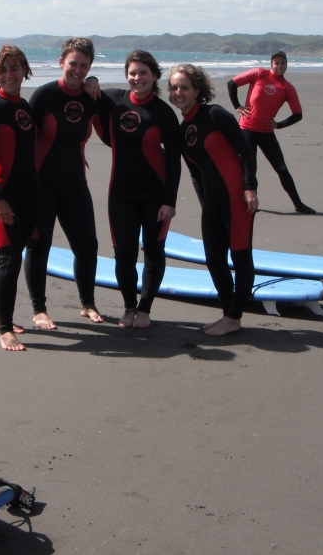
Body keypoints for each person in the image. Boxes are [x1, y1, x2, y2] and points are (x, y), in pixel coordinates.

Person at [85, 51, 181, 328]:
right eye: (132, 73)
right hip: (121, 194)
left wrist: (170, 201)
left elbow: (174, 160)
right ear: (126, 74)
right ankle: (129, 307)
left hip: (156, 194)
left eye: (143, 73)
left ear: (154, 76)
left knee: (154, 252)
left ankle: (145, 310)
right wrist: (92, 76)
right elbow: (88, 89)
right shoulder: (115, 98)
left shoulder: (163, 112)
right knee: (123, 253)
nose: (137, 78)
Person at [23, 38, 106, 329]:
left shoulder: (91, 97)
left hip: (74, 185)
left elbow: (119, 118)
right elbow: (21, 134)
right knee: (38, 246)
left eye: (85, 66)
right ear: (61, 62)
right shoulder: (44, 95)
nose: (78, 70)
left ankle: (87, 303)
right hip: (40, 185)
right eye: (73, 63)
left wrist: (95, 82)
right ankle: (39, 310)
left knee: (87, 246)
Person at [169, 64, 258, 336]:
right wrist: (205, 202)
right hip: (212, 201)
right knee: (214, 259)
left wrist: (249, 187)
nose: (179, 92)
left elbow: (245, 150)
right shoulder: (183, 131)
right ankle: (228, 313)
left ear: (197, 90)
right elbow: (196, 174)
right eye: (174, 87)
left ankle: (234, 317)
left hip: (237, 196)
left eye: (185, 87)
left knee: (240, 255)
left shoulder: (215, 114)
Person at [0, 45, 40, 351]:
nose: (9, 74)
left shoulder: (24, 106)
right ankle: (5, 328)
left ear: (24, 71)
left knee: (17, 255)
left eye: (14, 68)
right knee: (9, 258)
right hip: (0, 197)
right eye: (3, 69)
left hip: (29, 196)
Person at [227, 51, 314, 214]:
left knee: (281, 169)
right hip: (246, 130)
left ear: (286, 65)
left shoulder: (287, 88)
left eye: (283, 63)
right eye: (276, 63)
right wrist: (237, 106)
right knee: (249, 169)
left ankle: (298, 204)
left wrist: (279, 125)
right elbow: (231, 83)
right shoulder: (258, 74)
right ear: (271, 64)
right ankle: (250, 203)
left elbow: (298, 114)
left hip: (266, 132)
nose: (280, 66)